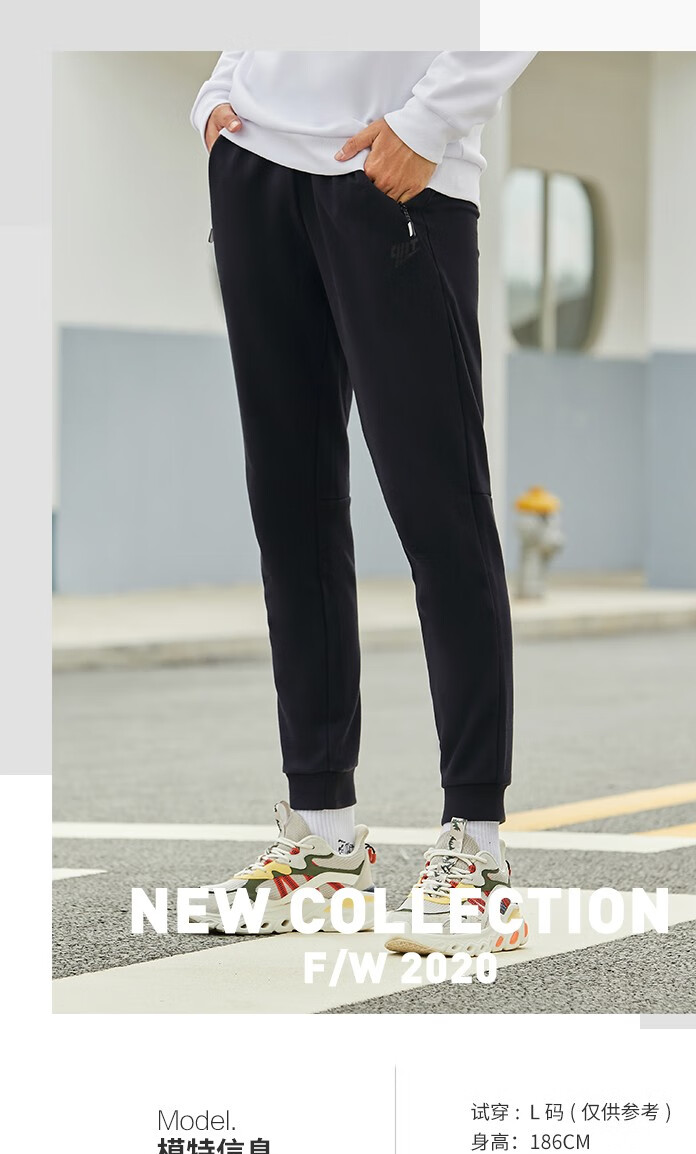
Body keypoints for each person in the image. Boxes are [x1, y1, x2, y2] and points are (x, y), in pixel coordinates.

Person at [189, 51, 536, 954]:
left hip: (394, 170)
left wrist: (429, 122)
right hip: (256, 162)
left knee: (441, 511)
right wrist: (222, 87)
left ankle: (477, 846)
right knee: (291, 516)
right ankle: (323, 840)